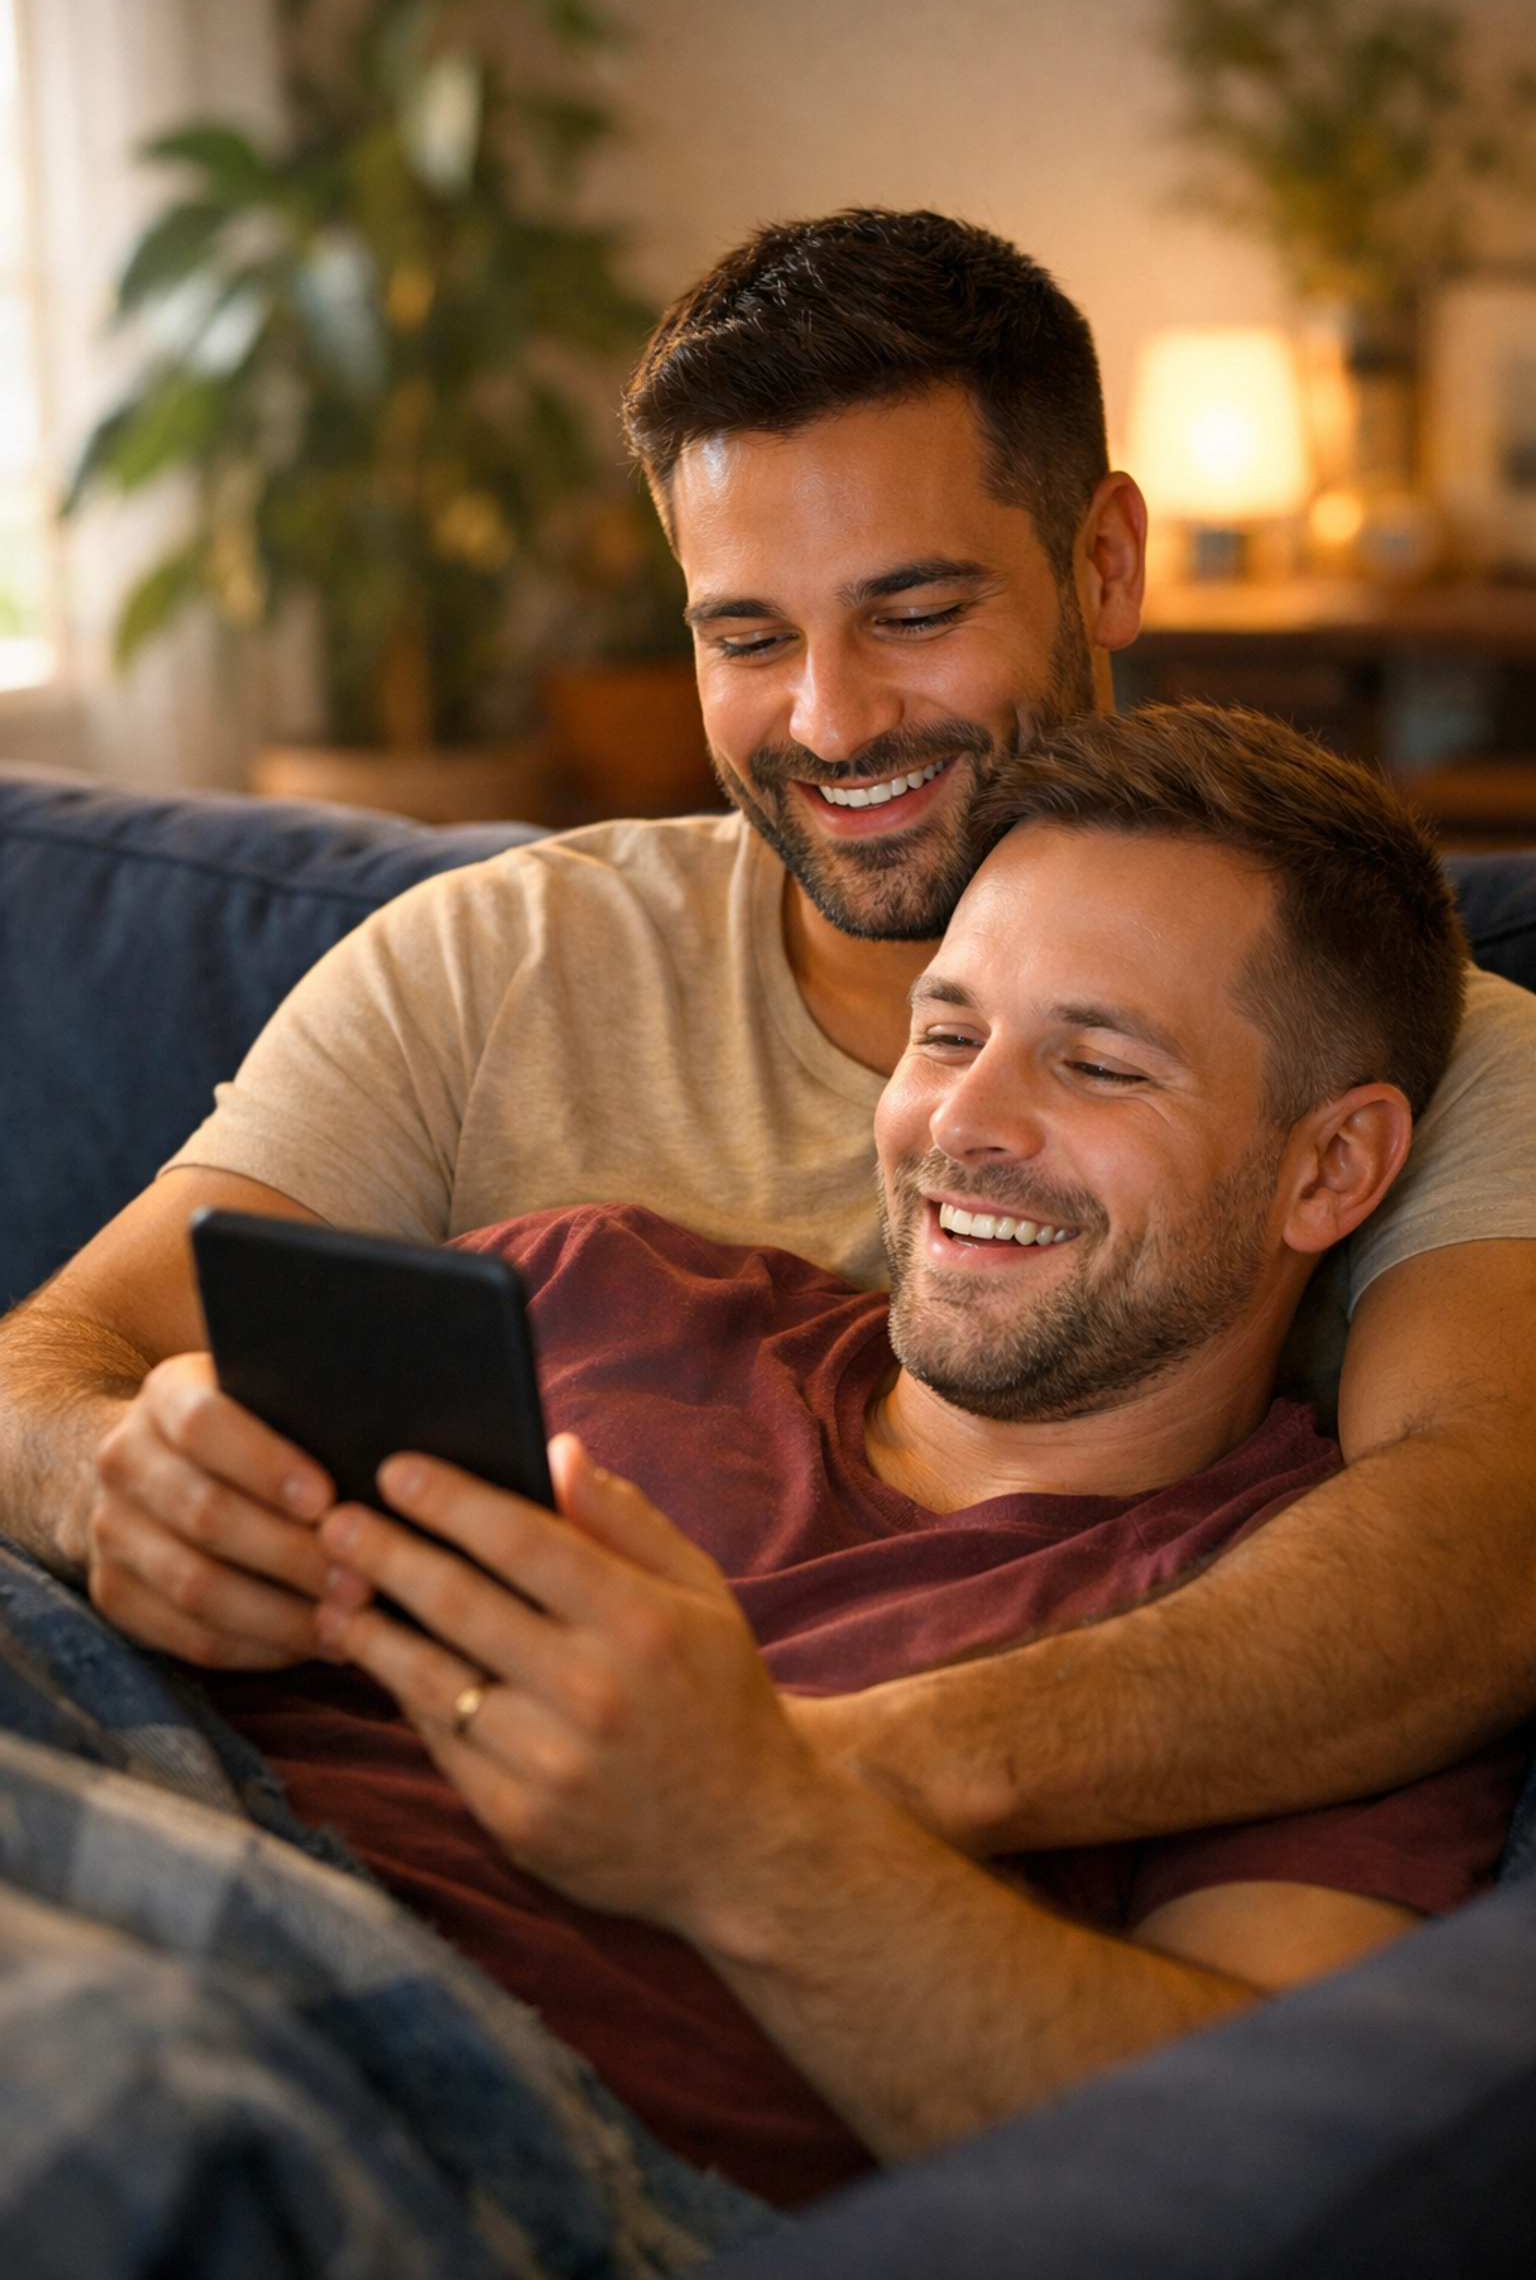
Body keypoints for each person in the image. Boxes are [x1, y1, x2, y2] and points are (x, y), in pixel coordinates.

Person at [1, 208, 1534, 1866]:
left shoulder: (1420, 1050)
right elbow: (48, 1357)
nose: (832, 720)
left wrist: (781, 1791)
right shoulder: (497, 958)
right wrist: (102, 1475)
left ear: (1103, 562)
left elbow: (1486, 1558)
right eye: (747, 636)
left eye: (914, 612)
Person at [201, 707, 1525, 2209]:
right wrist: (153, 1476)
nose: (962, 1120)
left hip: (383, 2142)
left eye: (1095, 1066)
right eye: (947, 1033)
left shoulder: (1313, 1635)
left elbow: (1259, 2178)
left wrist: (750, 1838)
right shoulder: (587, 1288)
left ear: (1331, 1168)